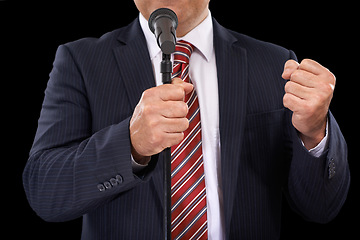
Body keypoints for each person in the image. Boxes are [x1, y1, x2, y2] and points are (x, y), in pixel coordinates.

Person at [23, 0, 350, 239]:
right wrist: (131, 144)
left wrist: (314, 132)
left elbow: (321, 208)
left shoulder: (275, 63)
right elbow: (45, 192)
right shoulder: (81, 61)